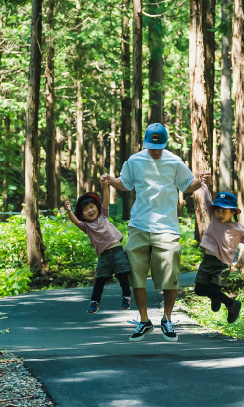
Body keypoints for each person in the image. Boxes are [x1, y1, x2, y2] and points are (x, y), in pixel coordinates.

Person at [103, 123, 206, 342]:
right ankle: (144, 320)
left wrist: (199, 182)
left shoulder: (174, 161)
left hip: (167, 227)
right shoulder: (134, 160)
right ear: (145, 143)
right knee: (136, 275)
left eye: (158, 147)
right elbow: (126, 184)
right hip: (139, 225)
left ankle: (167, 319)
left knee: (170, 276)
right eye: (151, 147)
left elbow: (187, 186)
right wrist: (110, 181)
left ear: (165, 144)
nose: (155, 151)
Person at [194, 177, 244, 324]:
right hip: (207, 261)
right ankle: (215, 298)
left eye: (224, 211)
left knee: (214, 291)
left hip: (222, 265)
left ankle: (232, 304)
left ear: (233, 212)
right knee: (199, 290)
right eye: (217, 211)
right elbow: (207, 200)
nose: (220, 214)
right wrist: (203, 184)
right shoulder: (214, 219)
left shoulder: (238, 228)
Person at [64, 179, 132, 314]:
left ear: (97, 207)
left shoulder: (103, 214)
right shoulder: (86, 226)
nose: (89, 210)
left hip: (117, 251)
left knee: (123, 276)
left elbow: (106, 200)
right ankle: (94, 302)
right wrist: (69, 211)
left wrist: (105, 187)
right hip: (104, 256)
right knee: (100, 280)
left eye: (91, 206)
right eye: (85, 209)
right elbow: (75, 221)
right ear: (82, 214)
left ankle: (126, 297)